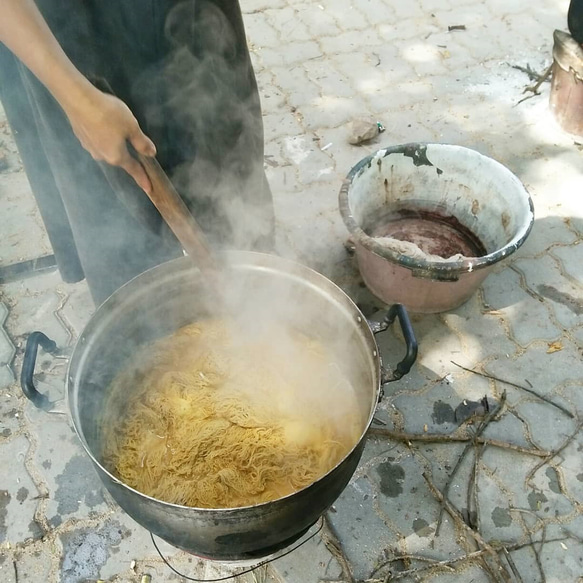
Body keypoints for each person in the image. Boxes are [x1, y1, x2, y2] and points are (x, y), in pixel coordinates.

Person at [0, 0, 275, 305]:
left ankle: (258, 315)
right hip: (73, 45)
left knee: (233, 204)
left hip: (199, 18)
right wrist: (73, 95)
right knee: (125, 247)